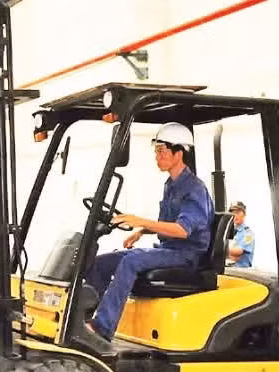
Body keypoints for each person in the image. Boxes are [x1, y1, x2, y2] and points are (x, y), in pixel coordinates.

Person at [85, 122, 215, 340]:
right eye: (156, 151)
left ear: (179, 152)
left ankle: (102, 329)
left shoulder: (194, 189)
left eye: (162, 151)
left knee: (131, 261)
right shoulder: (171, 184)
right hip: (168, 249)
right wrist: (141, 231)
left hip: (186, 255)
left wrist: (139, 220)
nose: (157, 157)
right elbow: (167, 222)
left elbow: (183, 230)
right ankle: (85, 320)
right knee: (100, 263)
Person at [226, 201, 255, 268]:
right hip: (229, 272)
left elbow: (238, 252)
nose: (234, 215)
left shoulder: (248, 233)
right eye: (232, 213)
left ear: (244, 214)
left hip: (242, 273)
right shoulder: (228, 232)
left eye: (238, 212)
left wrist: (221, 249)